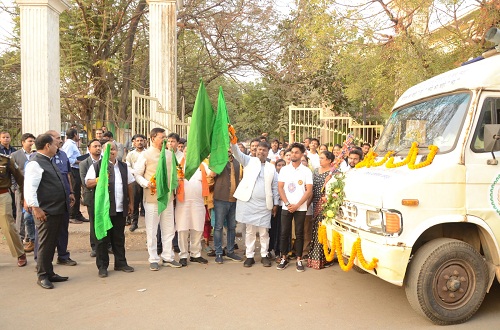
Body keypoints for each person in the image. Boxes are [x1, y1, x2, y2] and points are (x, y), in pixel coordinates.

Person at [24, 134, 69, 289]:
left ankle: (49, 272)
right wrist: (36, 208)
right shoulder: (35, 163)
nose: (58, 146)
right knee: (45, 243)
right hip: (46, 211)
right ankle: (42, 275)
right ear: (48, 146)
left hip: (56, 209)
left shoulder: (48, 161)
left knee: (51, 243)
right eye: (56, 144)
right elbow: (30, 188)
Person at [85, 141, 135, 277]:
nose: (111, 152)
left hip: (119, 208)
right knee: (102, 239)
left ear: (117, 151)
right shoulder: (97, 166)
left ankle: (121, 263)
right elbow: (88, 183)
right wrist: (99, 179)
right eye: (108, 149)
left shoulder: (124, 167)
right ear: (103, 151)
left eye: (113, 149)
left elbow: (130, 185)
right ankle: (102, 267)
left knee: (118, 237)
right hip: (103, 209)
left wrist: (131, 203)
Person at [134, 128, 182, 270]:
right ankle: (153, 258)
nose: (165, 140)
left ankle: (168, 257)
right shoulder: (145, 155)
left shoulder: (169, 154)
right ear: (153, 137)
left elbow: (175, 172)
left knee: (169, 228)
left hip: (167, 197)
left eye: (165, 137)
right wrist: (146, 183)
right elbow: (137, 174)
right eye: (162, 137)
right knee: (152, 229)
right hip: (152, 197)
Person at [230, 132, 279, 268]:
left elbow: (275, 186)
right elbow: (236, 153)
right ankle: (250, 256)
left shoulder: (271, 167)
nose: (261, 152)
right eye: (259, 149)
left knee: (264, 232)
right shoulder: (248, 161)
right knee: (250, 231)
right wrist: (233, 141)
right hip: (248, 202)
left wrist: (275, 203)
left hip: (264, 204)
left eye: (264, 150)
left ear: (268, 152)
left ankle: (264, 255)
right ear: (255, 151)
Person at [276, 142, 313, 272]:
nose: (293, 154)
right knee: (284, 233)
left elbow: (309, 191)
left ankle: (299, 259)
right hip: (287, 207)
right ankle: (284, 258)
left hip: (301, 208)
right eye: (292, 152)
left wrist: (297, 205)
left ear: (302, 154)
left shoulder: (306, 171)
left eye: (297, 152)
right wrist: (287, 203)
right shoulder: (285, 169)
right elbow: (280, 188)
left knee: (299, 234)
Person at [46, 130, 78, 266]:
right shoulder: (41, 158)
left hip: (64, 198)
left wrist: (71, 192)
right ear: (49, 142)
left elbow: (68, 175)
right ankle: (41, 260)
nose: (60, 140)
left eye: (61, 138)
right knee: (46, 231)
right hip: (49, 201)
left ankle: (63, 256)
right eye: (58, 138)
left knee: (63, 228)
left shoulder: (63, 155)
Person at [175, 146, 209, 266]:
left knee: (198, 228)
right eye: (186, 151)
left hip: (198, 202)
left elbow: (213, 173)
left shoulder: (202, 165)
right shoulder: (178, 165)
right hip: (182, 202)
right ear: (183, 153)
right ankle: (183, 255)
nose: (188, 153)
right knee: (182, 229)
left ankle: (196, 254)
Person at [210, 150, 243, 264]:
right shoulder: (218, 160)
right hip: (220, 198)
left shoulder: (238, 161)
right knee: (218, 227)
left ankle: (230, 251)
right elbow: (210, 178)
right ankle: (219, 252)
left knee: (232, 226)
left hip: (234, 199)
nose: (228, 148)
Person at [308, 151, 334, 269]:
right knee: (315, 229)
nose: (320, 160)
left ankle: (323, 258)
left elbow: (336, 190)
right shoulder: (315, 171)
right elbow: (311, 188)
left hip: (326, 205)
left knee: (323, 230)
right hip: (315, 203)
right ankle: (313, 257)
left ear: (329, 160)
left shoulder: (334, 173)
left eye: (322, 158)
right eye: (319, 158)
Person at [0, 152, 27, 267]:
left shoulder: (6, 160)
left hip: (2, 194)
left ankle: (20, 253)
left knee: (8, 225)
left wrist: (23, 196)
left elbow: (20, 178)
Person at [11, 133, 36, 252]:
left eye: (33, 141)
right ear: (23, 142)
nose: (31, 143)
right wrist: (15, 187)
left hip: (33, 189)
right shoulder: (15, 155)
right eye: (29, 141)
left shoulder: (35, 155)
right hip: (20, 189)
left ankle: (31, 239)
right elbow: (11, 173)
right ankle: (20, 239)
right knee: (20, 214)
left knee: (32, 213)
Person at [80, 139, 102, 256]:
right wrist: (100, 180)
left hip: (105, 196)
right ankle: (95, 246)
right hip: (91, 196)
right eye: (95, 146)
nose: (98, 148)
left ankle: (107, 245)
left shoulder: (106, 162)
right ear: (89, 149)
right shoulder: (84, 163)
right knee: (94, 222)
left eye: (99, 146)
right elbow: (85, 182)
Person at [61, 128, 88, 223]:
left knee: (77, 192)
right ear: (75, 134)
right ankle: (72, 215)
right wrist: (79, 161)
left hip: (77, 169)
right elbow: (67, 159)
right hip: (73, 170)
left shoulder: (72, 144)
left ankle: (77, 213)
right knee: (74, 192)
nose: (79, 136)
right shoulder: (69, 145)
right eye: (78, 134)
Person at [125, 134, 146, 231]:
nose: (139, 142)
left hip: (147, 180)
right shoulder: (130, 154)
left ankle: (149, 223)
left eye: (141, 140)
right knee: (135, 201)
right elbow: (128, 166)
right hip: (134, 181)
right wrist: (136, 173)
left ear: (144, 141)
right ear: (134, 142)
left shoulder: (148, 153)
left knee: (146, 202)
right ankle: (134, 222)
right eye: (137, 140)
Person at [269, 159, 285, 261]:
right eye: (279, 165)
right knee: (272, 230)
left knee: (281, 231)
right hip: (273, 206)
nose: (281, 167)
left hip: (284, 207)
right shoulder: (273, 177)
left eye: (283, 165)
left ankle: (279, 251)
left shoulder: (288, 176)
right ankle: (269, 250)